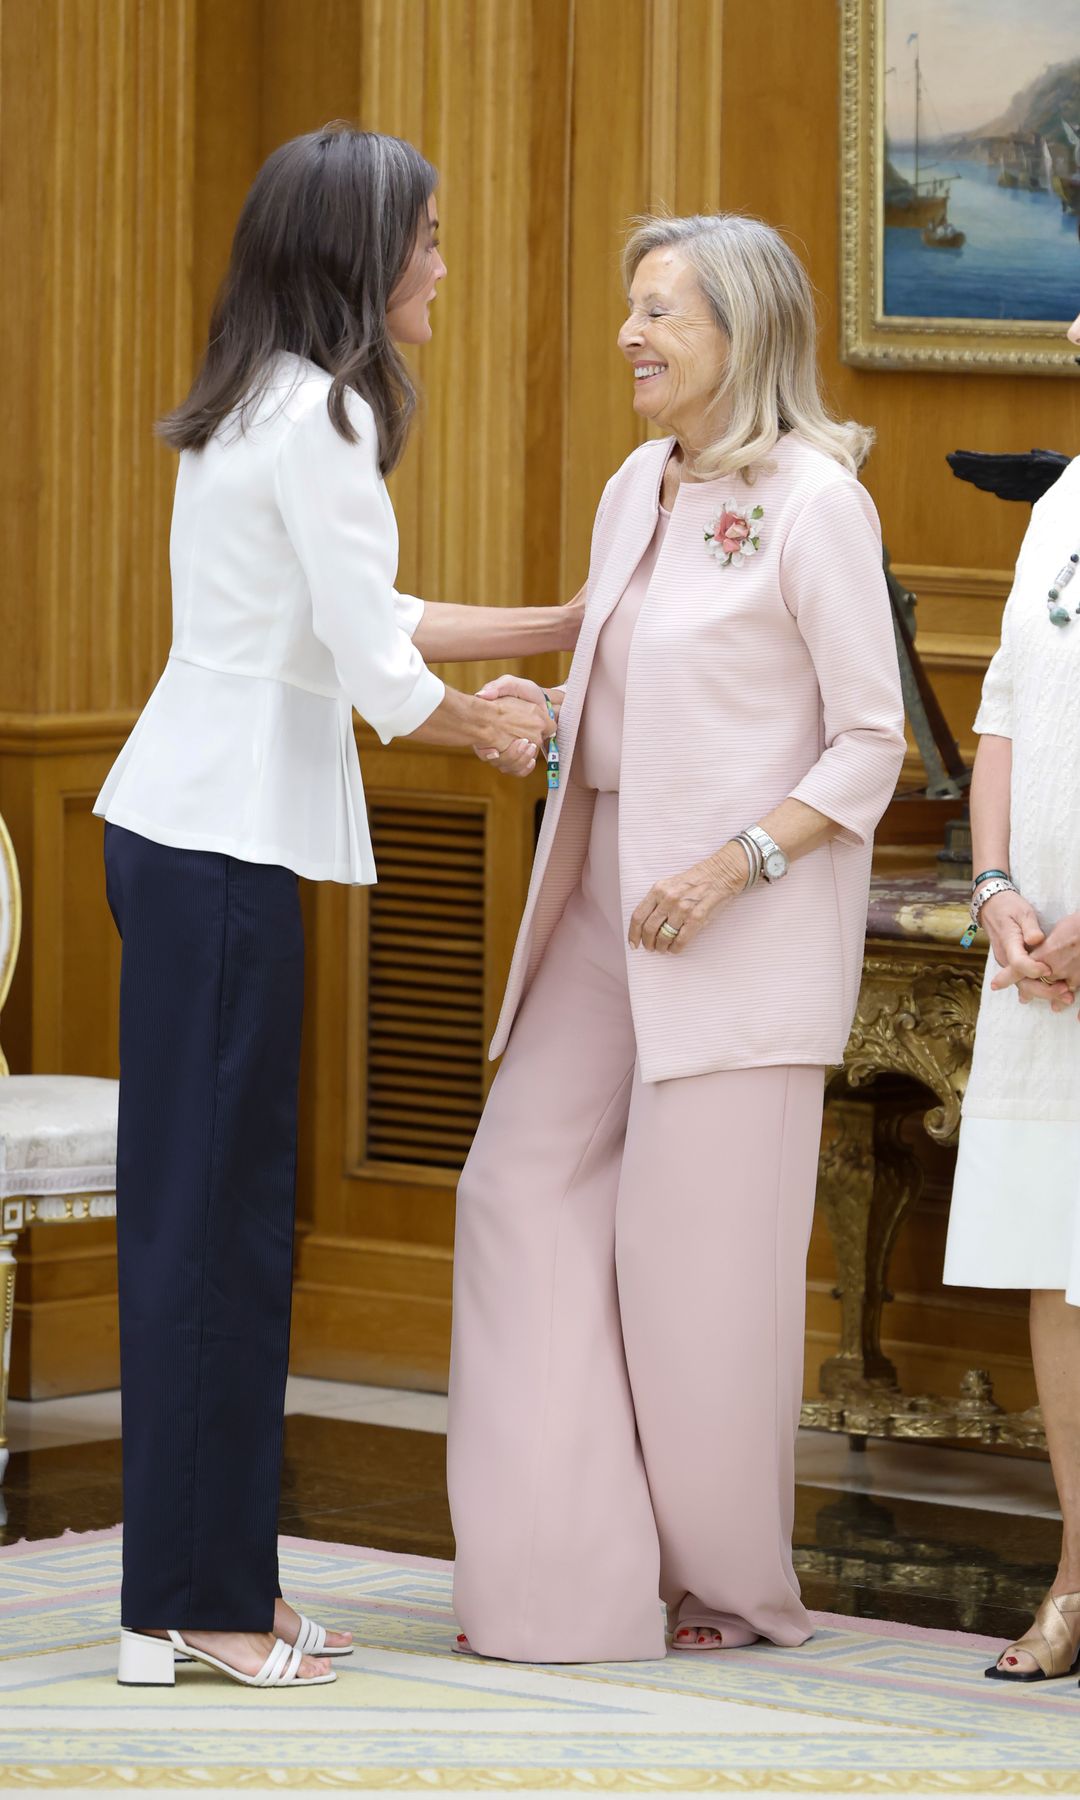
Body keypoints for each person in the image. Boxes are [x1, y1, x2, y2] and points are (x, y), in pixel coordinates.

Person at [96, 124, 575, 1691]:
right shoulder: (330, 418)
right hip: (222, 851)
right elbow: (385, 675)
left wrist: (566, 617)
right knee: (222, 1239)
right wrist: (499, 721)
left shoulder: (261, 402)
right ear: (364, 258)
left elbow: (365, 615)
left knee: (200, 1230)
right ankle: (210, 1604)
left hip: (183, 837)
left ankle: (181, 1589)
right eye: (427, 240)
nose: (443, 265)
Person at [446, 212, 906, 1664]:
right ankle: (561, 1579)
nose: (632, 335)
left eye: (663, 312)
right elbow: (623, 678)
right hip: (594, 905)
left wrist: (733, 864)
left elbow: (871, 741)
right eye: (631, 306)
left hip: (733, 932)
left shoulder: (820, 502)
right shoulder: (634, 481)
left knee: (698, 1272)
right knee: (512, 1193)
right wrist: (536, 724)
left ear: (743, 332)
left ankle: (729, 1585)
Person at [943, 301, 1080, 1686]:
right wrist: (993, 889)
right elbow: (999, 715)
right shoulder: (1063, 504)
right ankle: (1075, 1577)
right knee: (1062, 1266)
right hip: (1037, 967)